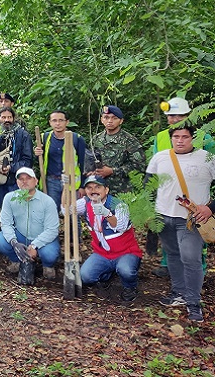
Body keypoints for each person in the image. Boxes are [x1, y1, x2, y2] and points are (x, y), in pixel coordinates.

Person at [146, 125, 215, 323]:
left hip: (191, 220)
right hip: (164, 216)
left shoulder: (206, 158)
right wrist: (149, 211)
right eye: (176, 136)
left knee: (191, 259)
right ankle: (178, 293)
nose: (180, 140)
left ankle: (193, 303)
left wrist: (210, 208)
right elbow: (149, 185)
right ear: (171, 138)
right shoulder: (160, 157)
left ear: (193, 138)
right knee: (173, 255)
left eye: (185, 136)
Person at [76, 176, 142, 302]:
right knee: (85, 276)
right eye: (89, 188)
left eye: (97, 187)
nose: (93, 190)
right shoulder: (85, 203)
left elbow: (120, 226)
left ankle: (130, 288)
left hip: (125, 252)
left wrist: (106, 213)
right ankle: (106, 277)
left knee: (126, 270)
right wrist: (66, 189)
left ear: (106, 190)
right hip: (102, 254)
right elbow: (66, 210)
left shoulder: (119, 205)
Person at [0, 167, 60, 279]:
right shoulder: (10, 198)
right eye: (21, 179)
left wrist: (35, 245)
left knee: (50, 254)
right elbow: (6, 223)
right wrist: (14, 243)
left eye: (28, 178)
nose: (24, 181)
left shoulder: (47, 201)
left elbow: (52, 230)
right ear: (17, 182)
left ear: (36, 181)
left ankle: (47, 266)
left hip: (41, 237)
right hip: (21, 235)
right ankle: (16, 260)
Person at [34, 110, 87, 210]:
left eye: (61, 120)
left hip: (71, 181)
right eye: (54, 120)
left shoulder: (76, 139)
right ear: (50, 122)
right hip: (51, 182)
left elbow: (83, 163)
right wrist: (37, 153)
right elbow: (40, 159)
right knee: (51, 212)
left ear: (67, 122)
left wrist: (83, 186)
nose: (57, 123)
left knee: (71, 213)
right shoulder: (45, 138)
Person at [89, 105, 146, 195]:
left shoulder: (130, 141)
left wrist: (113, 171)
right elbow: (89, 161)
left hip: (123, 191)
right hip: (99, 190)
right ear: (102, 120)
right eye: (106, 117)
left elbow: (139, 166)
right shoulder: (96, 139)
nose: (110, 121)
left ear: (121, 121)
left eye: (114, 118)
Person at [0, 107, 33, 219]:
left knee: (20, 211)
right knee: (5, 211)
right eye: (3, 117)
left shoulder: (23, 135)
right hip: (0, 180)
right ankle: (8, 235)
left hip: (17, 180)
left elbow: (28, 160)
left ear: (14, 118)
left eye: (9, 117)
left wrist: (11, 168)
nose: (6, 120)